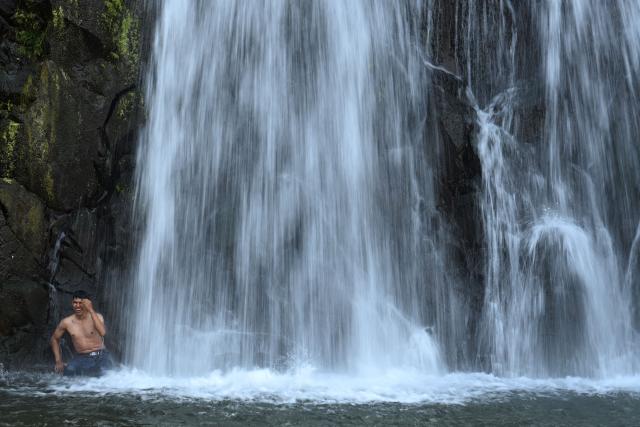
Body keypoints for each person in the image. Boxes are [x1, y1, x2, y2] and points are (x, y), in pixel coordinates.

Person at [50, 290, 114, 376]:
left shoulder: (97, 317)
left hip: (101, 355)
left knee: (107, 375)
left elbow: (102, 332)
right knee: (68, 372)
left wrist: (91, 309)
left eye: (81, 303)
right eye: (75, 303)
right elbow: (54, 339)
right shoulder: (66, 322)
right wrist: (58, 361)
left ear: (87, 304)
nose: (77, 306)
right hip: (81, 357)